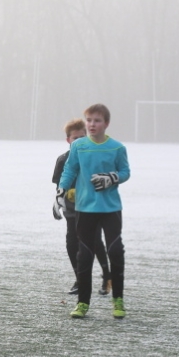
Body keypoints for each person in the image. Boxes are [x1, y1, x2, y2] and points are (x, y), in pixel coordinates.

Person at [58, 103, 130, 320]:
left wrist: (111, 178)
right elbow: (70, 168)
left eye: (97, 121)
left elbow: (125, 171)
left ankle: (118, 299)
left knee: (115, 251)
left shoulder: (117, 147)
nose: (92, 124)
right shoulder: (78, 146)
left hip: (110, 209)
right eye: (89, 120)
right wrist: (61, 190)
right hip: (84, 208)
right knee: (84, 255)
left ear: (106, 124)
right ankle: (82, 303)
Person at [53, 118, 109, 296]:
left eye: (82, 137)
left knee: (95, 241)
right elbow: (59, 186)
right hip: (72, 209)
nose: (79, 141)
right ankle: (80, 278)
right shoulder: (63, 160)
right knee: (71, 242)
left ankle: (107, 275)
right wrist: (59, 200)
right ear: (68, 140)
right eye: (75, 138)